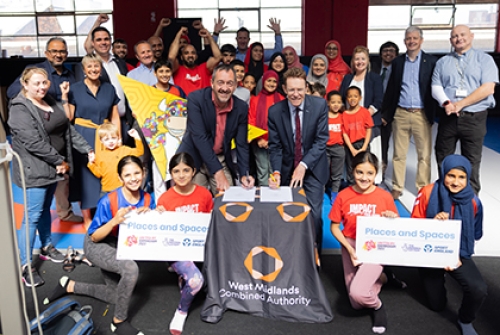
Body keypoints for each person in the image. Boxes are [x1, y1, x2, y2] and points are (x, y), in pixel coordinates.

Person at [44, 156, 152, 335]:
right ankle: (118, 322)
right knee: (130, 269)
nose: (133, 178)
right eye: (127, 175)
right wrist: (114, 221)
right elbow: (94, 237)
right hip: (98, 245)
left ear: (143, 173)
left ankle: (69, 285)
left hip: (120, 246)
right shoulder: (108, 201)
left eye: (137, 173)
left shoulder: (148, 199)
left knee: (115, 295)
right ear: (120, 178)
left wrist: (155, 213)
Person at [8, 67, 92, 287]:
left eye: (44, 82)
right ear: (24, 84)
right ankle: (26, 265)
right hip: (35, 169)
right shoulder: (19, 109)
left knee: (45, 209)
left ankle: (46, 246)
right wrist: (59, 161)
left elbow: (67, 129)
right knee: (31, 217)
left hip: (52, 169)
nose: (41, 87)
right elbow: (33, 142)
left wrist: (86, 149)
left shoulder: (51, 100)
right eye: (36, 83)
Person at [7, 37, 83, 223]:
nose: (59, 55)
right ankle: (36, 232)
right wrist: (37, 106)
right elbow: (12, 92)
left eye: (62, 51)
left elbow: (71, 102)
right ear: (47, 53)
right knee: (40, 189)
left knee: (63, 176)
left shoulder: (69, 74)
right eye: (54, 51)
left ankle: (64, 213)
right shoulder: (36, 72)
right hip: (40, 134)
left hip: (60, 132)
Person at [411, 154, 486, 335]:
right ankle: (433, 275)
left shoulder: (474, 201)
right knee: (437, 305)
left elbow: (475, 234)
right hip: (428, 251)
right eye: (451, 175)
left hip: (458, 252)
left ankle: (465, 319)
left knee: (479, 289)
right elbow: (413, 227)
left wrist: (454, 254)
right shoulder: (428, 192)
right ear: (443, 173)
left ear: (468, 178)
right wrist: (433, 224)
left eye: (461, 177)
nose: (455, 182)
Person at [330, 151, 398, 334]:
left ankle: (377, 307)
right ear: (352, 171)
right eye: (360, 172)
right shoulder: (344, 196)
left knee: (358, 294)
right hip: (351, 244)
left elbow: (397, 228)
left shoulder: (384, 196)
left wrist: (391, 218)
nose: (364, 178)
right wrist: (349, 250)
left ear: (376, 172)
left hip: (375, 246)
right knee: (355, 303)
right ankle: (383, 278)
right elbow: (335, 227)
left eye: (369, 173)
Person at [431, 25, 498, 194]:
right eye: (454, 36)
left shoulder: (485, 60)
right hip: (449, 117)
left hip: (474, 118)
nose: (458, 38)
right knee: (443, 157)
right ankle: (444, 193)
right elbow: (436, 86)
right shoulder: (443, 62)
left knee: (472, 160)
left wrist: (460, 104)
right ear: (450, 40)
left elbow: (488, 89)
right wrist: (447, 103)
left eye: (462, 35)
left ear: (472, 36)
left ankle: (470, 197)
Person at [267, 67, 329, 251]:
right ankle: (291, 254)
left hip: (313, 168)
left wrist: (303, 165)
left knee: (314, 215)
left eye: (300, 89)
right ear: (285, 89)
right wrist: (276, 171)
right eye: (292, 90)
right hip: (287, 169)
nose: (296, 94)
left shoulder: (319, 106)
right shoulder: (275, 111)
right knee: (286, 214)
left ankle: (314, 255)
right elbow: (275, 146)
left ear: (306, 88)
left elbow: (321, 140)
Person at [156, 152, 212, 335]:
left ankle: (183, 277)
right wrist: (157, 216)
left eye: (186, 170)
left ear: (194, 171)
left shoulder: (204, 195)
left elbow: (209, 223)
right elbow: (159, 233)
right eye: (176, 171)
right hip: (176, 250)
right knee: (196, 282)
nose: (181, 175)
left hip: (198, 248)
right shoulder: (164, 199)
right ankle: (181, 311)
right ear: (171, 173)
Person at [177, 64, 255, 195]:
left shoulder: (241, 107)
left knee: (228, 200)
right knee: (195, 202)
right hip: (194, 158)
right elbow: (199, 138)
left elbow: (241, 144)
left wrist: (244, 174)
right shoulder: (196, 99)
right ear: (212, 83)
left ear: (235, 86)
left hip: (220, 158)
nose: (225, 88)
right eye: (220, 83)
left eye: (229, 83)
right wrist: (218, 172)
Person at [381, 27, 437, 199]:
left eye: (415, 38)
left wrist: (433, 113)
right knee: (399, 154)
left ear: (421, 40)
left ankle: (422, 188)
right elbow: (391, 89)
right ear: (404, 41)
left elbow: (434, 88)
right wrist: (387, 114)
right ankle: (397, 187)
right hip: (401, 113)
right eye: (408, 38)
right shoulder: (397, 62)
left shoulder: (431, 61)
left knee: (424, 154)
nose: (411, 41)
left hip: (421, 114)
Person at [69, 54, 121, 228]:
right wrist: (62, 97)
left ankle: (106, 211)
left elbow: (114, 116)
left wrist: (118, 137)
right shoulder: (74, 89)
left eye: (96, 66)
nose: (93, 70)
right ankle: (86, 217)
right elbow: (69, 117)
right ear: (84, 70)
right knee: (84, 176)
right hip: (82, 135)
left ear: (101, 68)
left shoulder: (109, 89)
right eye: (89, 67)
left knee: (106, 172)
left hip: (105, 137)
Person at [340, 46, 383, 184]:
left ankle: (372, 181)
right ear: (353, 61)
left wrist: (363, 115)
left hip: (368, 121)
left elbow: (379, 99)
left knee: (370, 154)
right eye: (357, 59)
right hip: (350, 123)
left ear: (368, 60)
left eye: (363, 59)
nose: (360, 62)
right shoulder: (347, 78)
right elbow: (342, 98)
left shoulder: (374, 78)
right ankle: (352, 181)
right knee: (350, 155)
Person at [249, 70, 285, 186]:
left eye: (274, 81)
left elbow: (284, 122)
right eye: (269, 80)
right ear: (263, 82)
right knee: (262, 171)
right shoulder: (255, 99)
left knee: (275, 170)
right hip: (260, 142)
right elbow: (251, 120)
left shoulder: (282, 99)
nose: (272, 83)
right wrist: (259, 139)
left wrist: (272, 140)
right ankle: (263, 198)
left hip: (277, 143)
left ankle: (274, 198)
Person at [88, 124, 144, 194]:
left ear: (118, 138)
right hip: (106, 190)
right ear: (101, 141)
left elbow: (139, 151)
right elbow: (99, 173)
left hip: (123, 189)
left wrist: (136, 137)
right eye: (107, 139)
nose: (111, 141)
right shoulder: (99, 155)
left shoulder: (124, 150)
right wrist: (91, 163)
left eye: (113, 138)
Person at [372, 41, 399, 178]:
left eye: (391, 51)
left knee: (384, 144)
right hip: (372, 111)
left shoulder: (399, 70)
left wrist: (386, 116)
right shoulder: (373, 68)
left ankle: (381, 172)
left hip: (389, 114)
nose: (388, 53)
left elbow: (397, 95)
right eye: (385, 50)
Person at [169, 26, 221, 96]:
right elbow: (171, 57)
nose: (190, 55)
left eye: (193, 53)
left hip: (202, 105)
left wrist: (209, 36)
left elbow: (218, 57)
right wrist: (179, 34)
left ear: (196, 56)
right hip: (182, 105)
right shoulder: (177, 69)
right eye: (186, 53)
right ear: (181, 57)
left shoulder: (204, 68)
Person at [342, 86, 374, 183]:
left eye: (355, 96)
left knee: (364, 165)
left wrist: (364, 147)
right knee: (351, 168)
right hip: (350, 146)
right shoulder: (344, 114)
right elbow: (344, 133)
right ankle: (352, 188)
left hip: (363, 143)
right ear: (347, 98)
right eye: (350, 96)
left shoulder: (365, 112)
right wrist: (351, 149)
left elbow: (369, 129)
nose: (352, 99)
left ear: (360, 98)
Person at [326, 90, 345, 197]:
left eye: (339, 102)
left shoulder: (343, 117)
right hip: (325, 148)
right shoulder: (324, 117)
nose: (336, 105)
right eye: (333, 102)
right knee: (324, 172)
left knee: (337, 174)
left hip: (338, 148)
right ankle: (321, 191)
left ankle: (334, 193)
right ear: (328, 102)